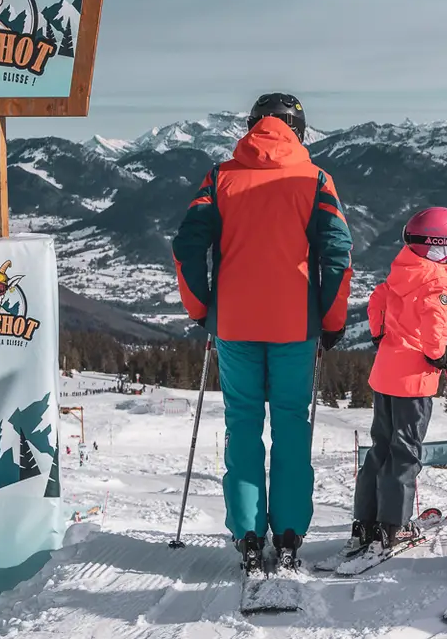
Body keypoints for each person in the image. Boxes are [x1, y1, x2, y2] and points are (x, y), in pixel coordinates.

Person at [173, 93, 354, 575]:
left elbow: (188, 244)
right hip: (296, 325)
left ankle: (249, 535)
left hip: (234, 324)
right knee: (292, 425)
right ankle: (290, 534)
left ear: (252, 125)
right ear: (300, 130)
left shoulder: (219, 177)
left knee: (243, 425)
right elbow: (337, 256)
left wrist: (201, 310)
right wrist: (332, 322)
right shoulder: (315, 180)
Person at [343, 207, 447, 561]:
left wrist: (379, 332)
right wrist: (437, 354)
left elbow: (377, 299)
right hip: (413, 381)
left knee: (380, 448)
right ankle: (392, 527)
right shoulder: (435, 282)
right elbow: (435, 323)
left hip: (385, 372)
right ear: (438, 245)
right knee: (405, 453)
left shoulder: (403, 270)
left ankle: (364, 524)